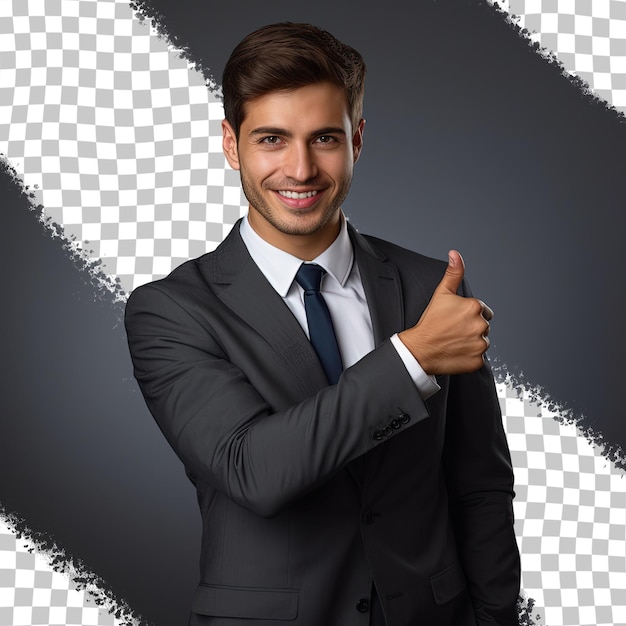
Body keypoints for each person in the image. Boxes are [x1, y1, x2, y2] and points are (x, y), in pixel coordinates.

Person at [124, 22, 520, 626]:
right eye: (272, 139)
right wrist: (411, 359)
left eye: (325, 138)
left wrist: (495, 619)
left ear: (357, 140)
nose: (301, 169)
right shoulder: (172, 310)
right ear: (232, 145)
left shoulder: (429, 289)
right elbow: (254, 469)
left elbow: (479, 486)